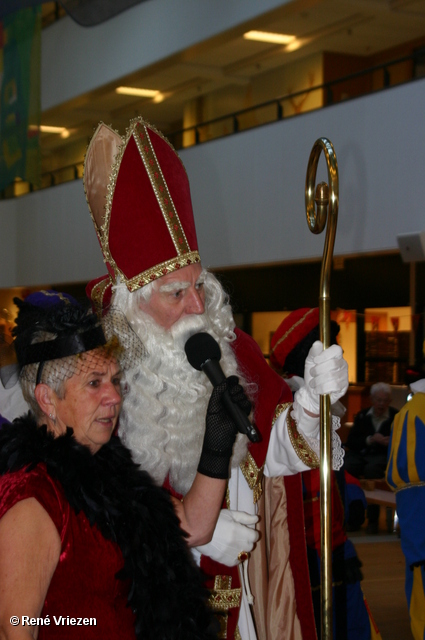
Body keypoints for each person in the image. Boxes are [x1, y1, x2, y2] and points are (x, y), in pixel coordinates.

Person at [83, 117, 349, 640]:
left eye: (197, 284)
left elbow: (274, 451)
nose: (198, 306)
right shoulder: (101, 384)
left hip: (250, 593)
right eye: (175, 294)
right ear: (132, 305)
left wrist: (315, 404)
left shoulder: (231, 348)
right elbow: (95, 516)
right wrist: (187, 538)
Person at [0, 289, 248, 639]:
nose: (115, 395)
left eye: (115, 380)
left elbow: (194, 526)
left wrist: (217, 443)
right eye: (94, 383)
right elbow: (15, 628)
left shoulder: (109, 472)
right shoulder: (33, 494)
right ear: (47, 398)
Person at [270, 307, 380, 640]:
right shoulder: (286, 411)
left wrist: (353, 491)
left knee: (353, 625)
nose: (340, 352)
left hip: (335, 542)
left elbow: (334, 464)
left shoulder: (327, 406)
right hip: (305, 551)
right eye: (330, 343)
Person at [386, 378, 425, 640]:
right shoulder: (414, 412)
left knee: (421, 565)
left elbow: (401, 471)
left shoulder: (411, 412)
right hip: (419, 496)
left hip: (417, 497)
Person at [344, 382, 398, 533]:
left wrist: (389, 442)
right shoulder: (362, 415)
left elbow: (401, 441)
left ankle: (373, 521)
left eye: (385, 400)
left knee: (372, 471)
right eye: (378, 400)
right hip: (361, 453)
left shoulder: (396, 416)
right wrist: (370, 439)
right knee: (347, 469)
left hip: (381, 456)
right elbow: (351, 441)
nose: (381, 404)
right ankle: (353, 518)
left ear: (390, 401)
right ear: (372, 399)